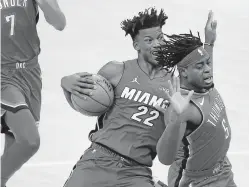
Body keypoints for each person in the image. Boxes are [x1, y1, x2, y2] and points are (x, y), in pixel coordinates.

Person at [61, 8, 212, 187]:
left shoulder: (175, 87)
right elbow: (84, 100)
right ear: (136, 45)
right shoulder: (115, 71)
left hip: (136, 172)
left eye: (160, 38)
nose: (157, 44)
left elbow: (206, 85)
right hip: (97, 160)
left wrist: (209, 44)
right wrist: (66, 84)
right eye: (149, 40)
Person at [154, 13, 237, 187]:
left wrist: (209, 43)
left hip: (221, 170)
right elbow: (165, 157)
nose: (208, 69)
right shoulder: (184, 108)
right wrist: (176, 120)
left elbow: (203, 62)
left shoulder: (202, 84)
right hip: (198, 181)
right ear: (184, 72)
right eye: (200, 66)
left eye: (208, 63)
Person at [1, 1, 66, 186]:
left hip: (30, 74)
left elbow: (60, 23)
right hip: (2, 75)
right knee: (29, 141)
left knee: (14, 147)